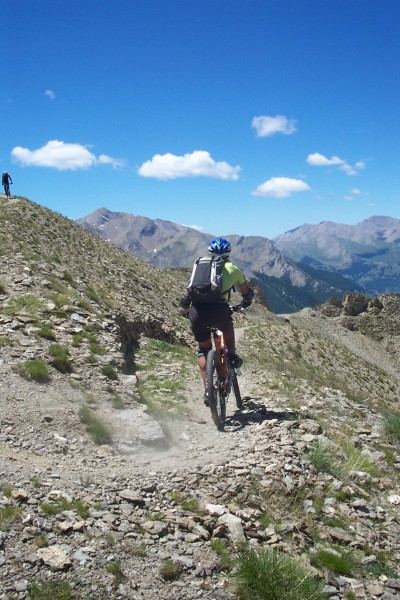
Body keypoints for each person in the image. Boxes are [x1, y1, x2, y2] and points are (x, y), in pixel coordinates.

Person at [180, 237, 254, 404]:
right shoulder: (233, 269)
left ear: (210, 252)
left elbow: (186, 293)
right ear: (228, 253)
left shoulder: (199, 266)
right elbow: (246, 292)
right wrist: (247, 301)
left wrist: (187, 310)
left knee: (203, 350)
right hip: (220, 311)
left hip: (197, 313)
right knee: (227, 325)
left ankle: (208, 390)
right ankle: (232, 356)